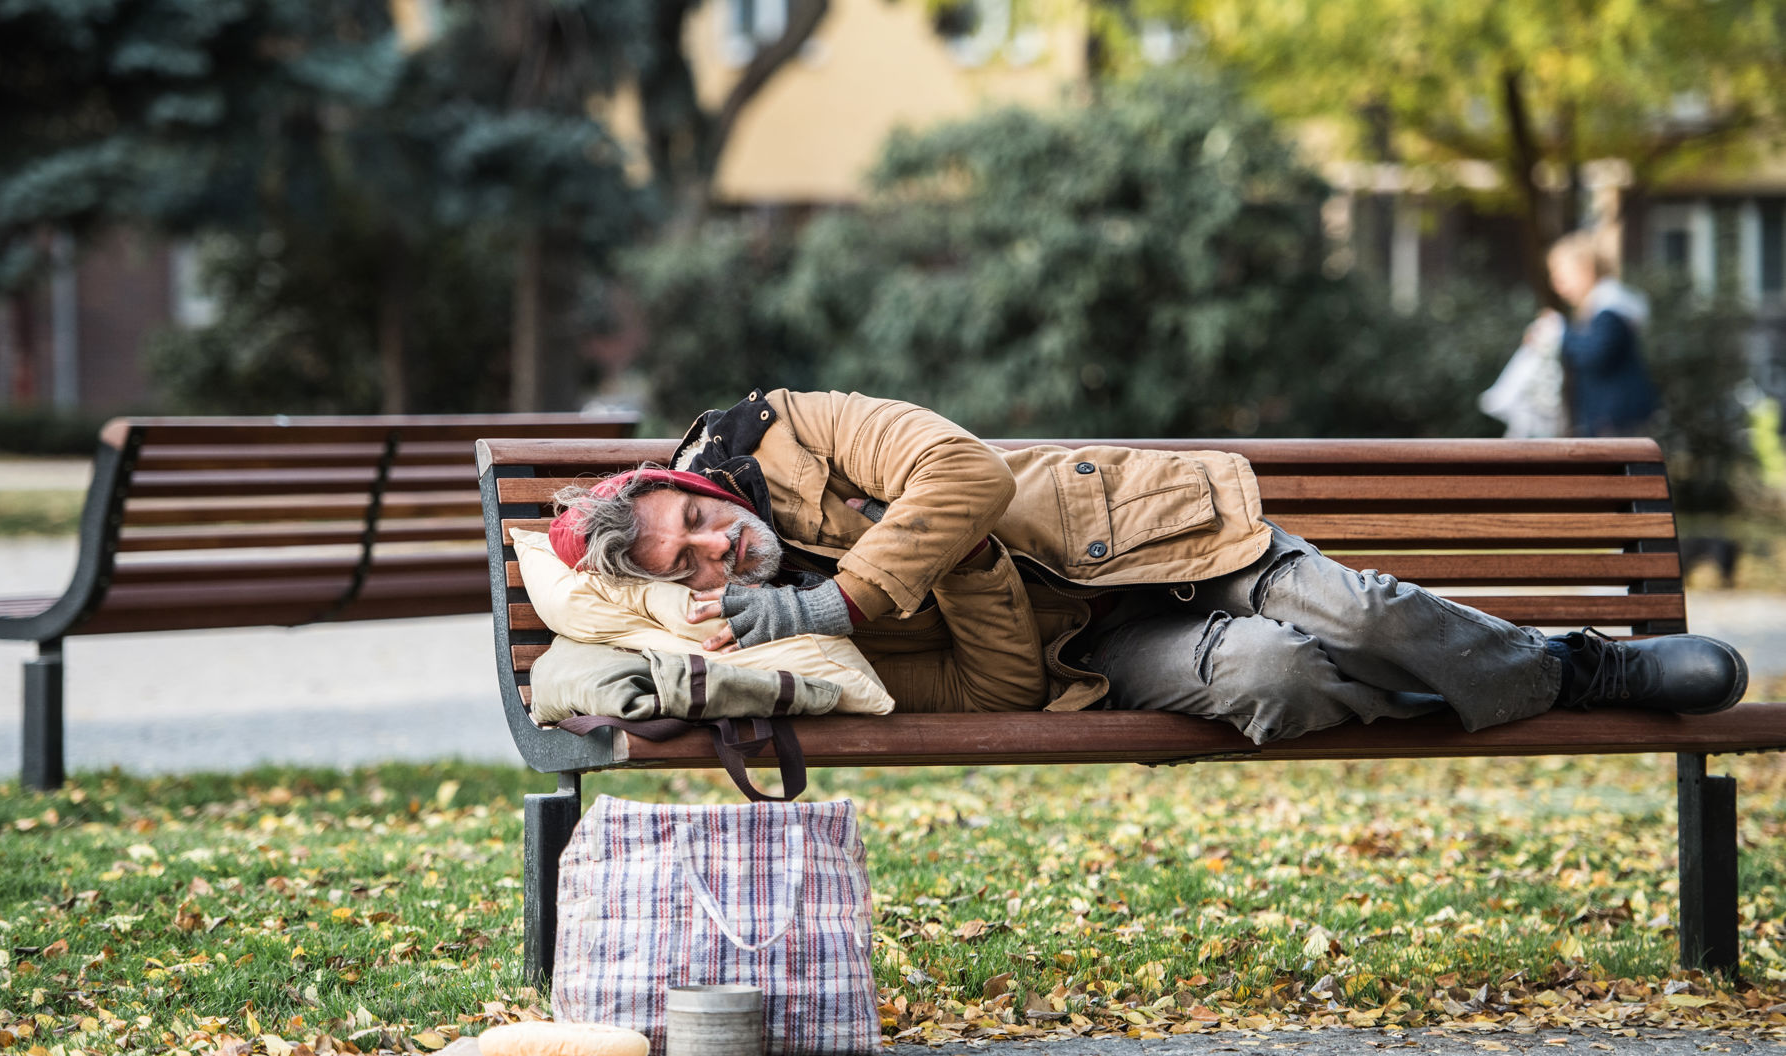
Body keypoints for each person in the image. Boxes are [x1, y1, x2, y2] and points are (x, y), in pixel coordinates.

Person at [546, 388, 1747, 743]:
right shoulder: (781, 642)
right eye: (684, 563)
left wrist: (843, 591)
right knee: (1275, 683)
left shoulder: (795, 424)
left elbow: (959, 471)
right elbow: (994, 693)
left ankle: (1576, 669)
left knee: (1352, 607)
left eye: (694, 520)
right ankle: (1505, 680)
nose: (713, 547)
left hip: (1149, 538)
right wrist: (933, 579)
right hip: (1103, 649)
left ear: (691, 485)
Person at [1530, 230, 1661, 438]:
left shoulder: (1609, 309)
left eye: (1561, 274)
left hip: (1616, 419)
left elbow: (1594, 355)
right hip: (1612, 417)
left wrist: (1560, 333)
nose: (1556, 284)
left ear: (1586, 270)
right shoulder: (1604, 307)